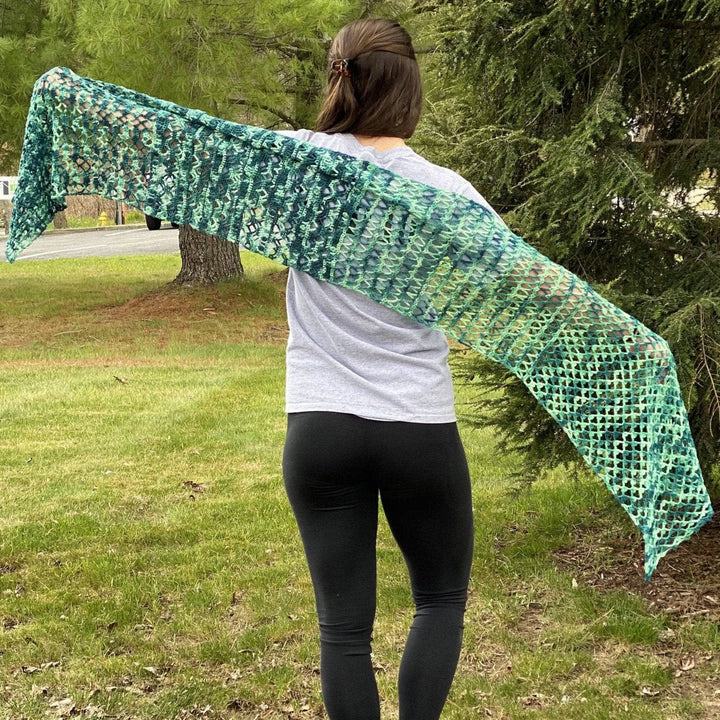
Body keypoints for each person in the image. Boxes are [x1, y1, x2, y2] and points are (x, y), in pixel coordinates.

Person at [280, 18, 495, 720]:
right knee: (439, 600)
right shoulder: (447, 192)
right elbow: (520, 287)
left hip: (318, 428)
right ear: (409, 87)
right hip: (416, 427)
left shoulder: (291, 163)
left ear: (336, 77)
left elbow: (175, 146)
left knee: (342, 630)